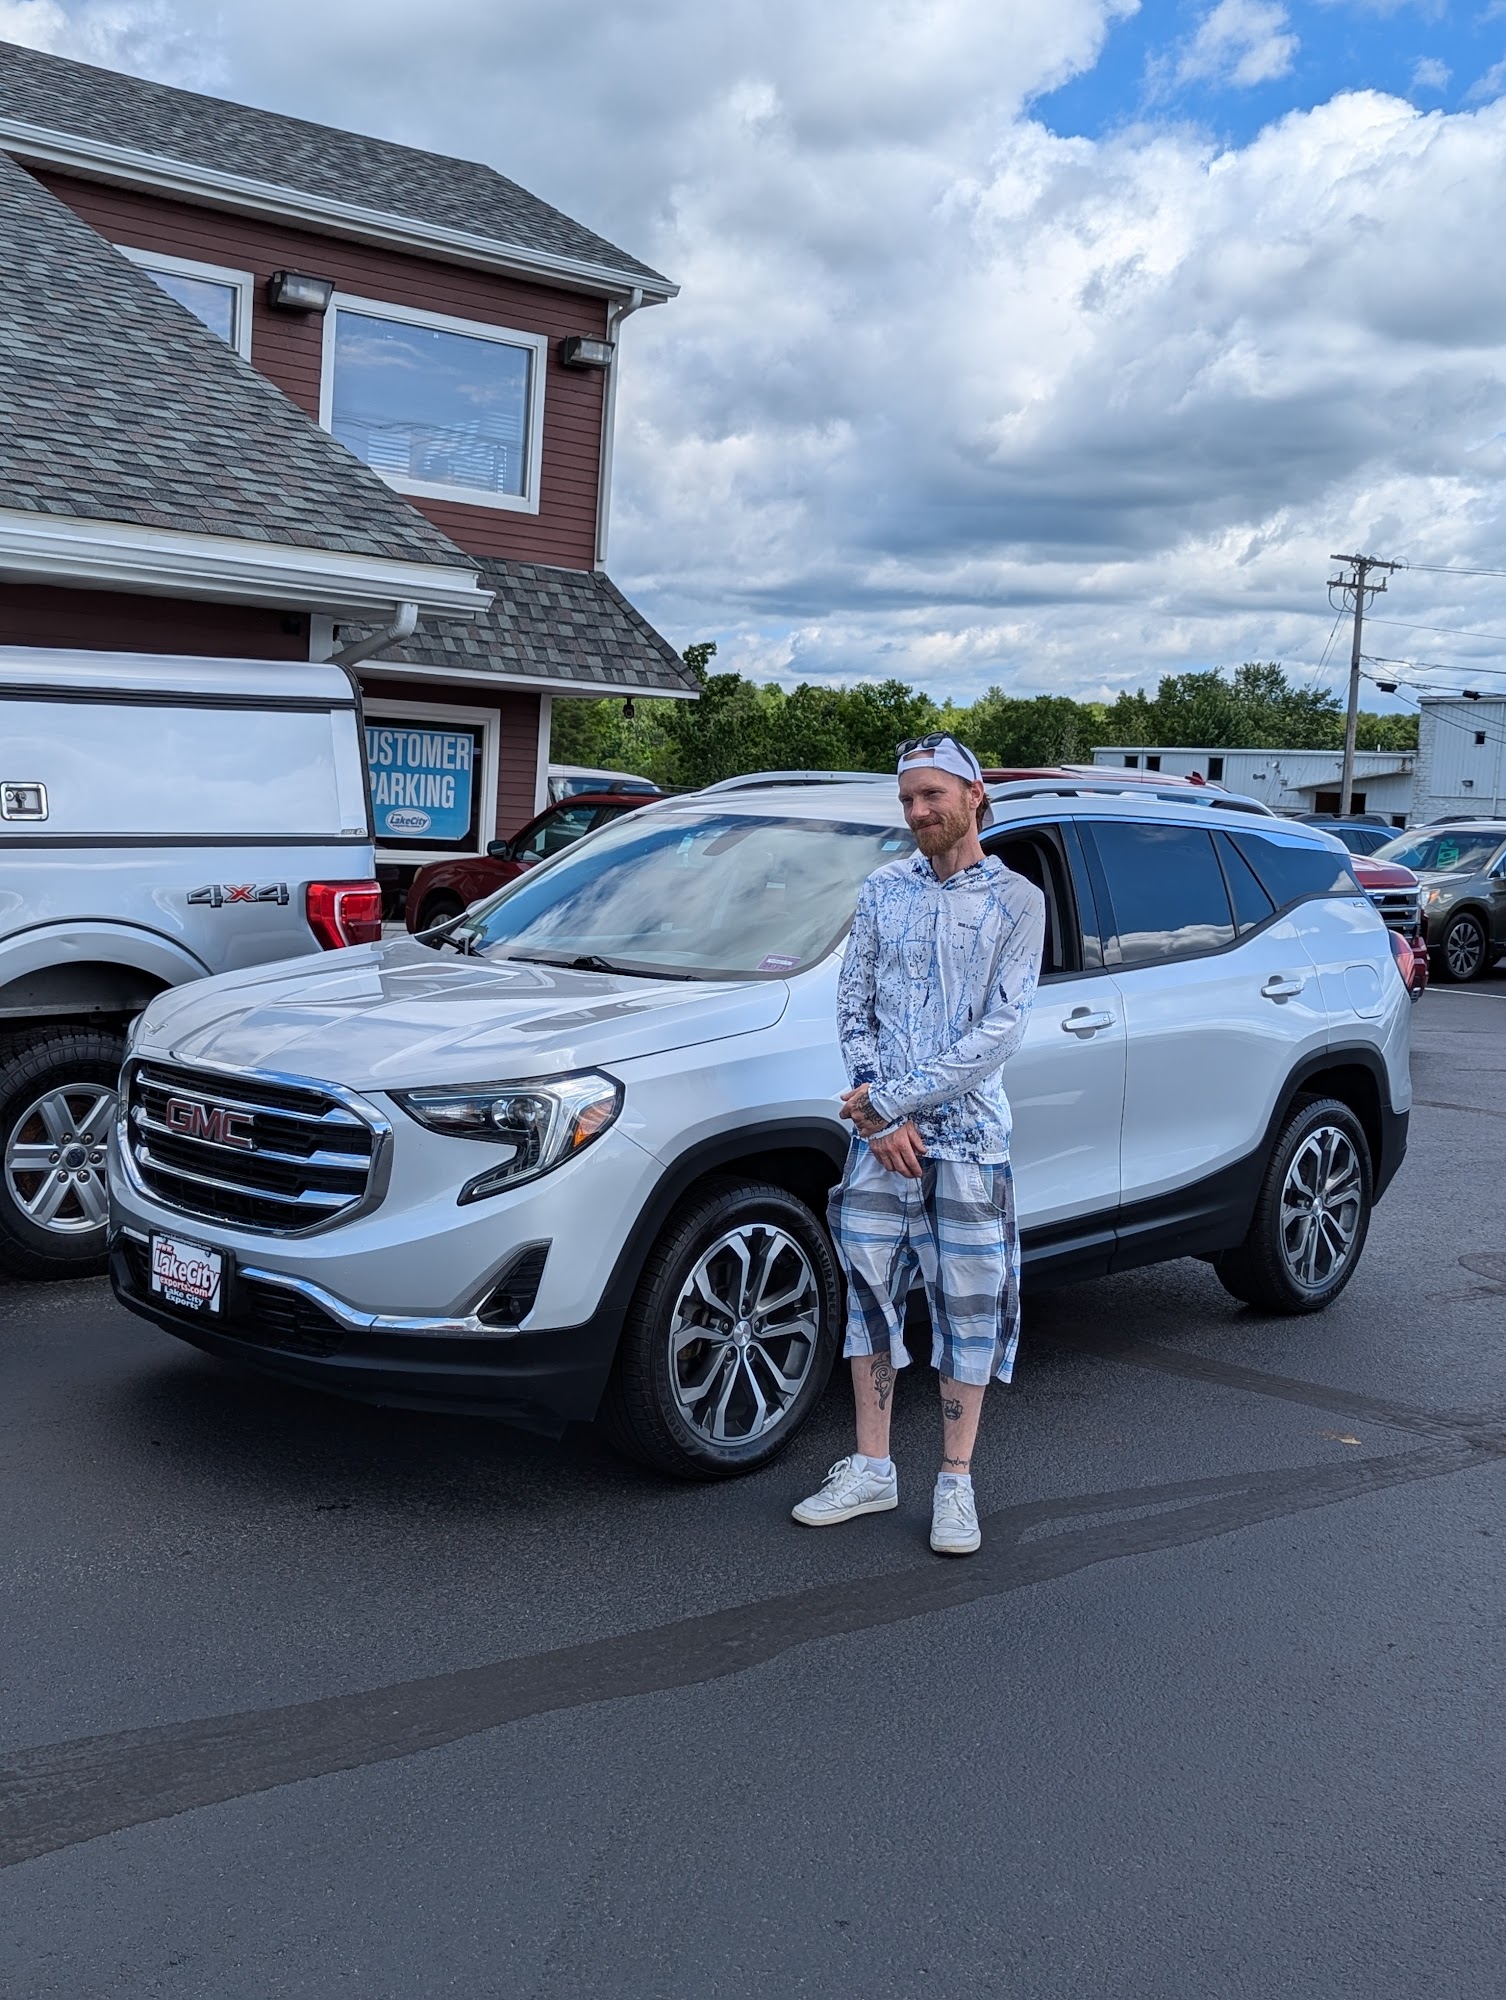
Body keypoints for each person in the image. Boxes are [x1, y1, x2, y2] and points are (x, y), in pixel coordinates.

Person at [792, 734, 1045, 1556]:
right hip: (880, 1146)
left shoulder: (1017, 902)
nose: (917, 811)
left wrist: (892, 1103)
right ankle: (872, 1468)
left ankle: (955, 1482)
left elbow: (1000, 1031)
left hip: (968, 1145)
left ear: (975, 795)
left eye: (932, 794)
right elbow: (853, 1005)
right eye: (906, 798)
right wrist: (878, 1118)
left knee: (968, 1307)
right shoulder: (882, 891)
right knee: (869, 1296)